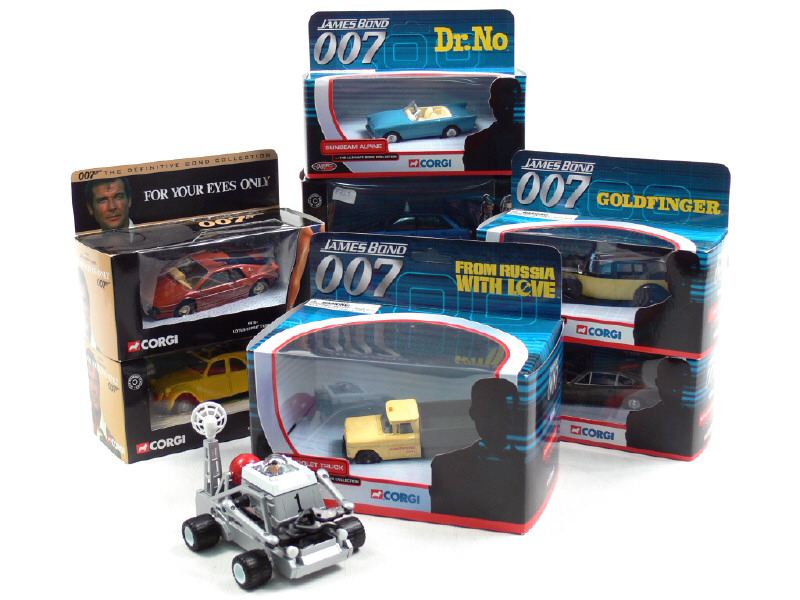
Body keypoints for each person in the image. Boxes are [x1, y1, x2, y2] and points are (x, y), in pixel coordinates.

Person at [430, 377, 527, 523]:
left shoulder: (530, 468)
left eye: (503, 412)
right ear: (473, 413)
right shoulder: (443, 466)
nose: (496, 420)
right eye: (489, 412)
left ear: (514, 415)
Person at [463, 78, 524, 172]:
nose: (506, 108)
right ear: (491, 103)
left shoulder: (531, 139)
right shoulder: (473, 143)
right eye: (502, 101)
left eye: (510, 101)